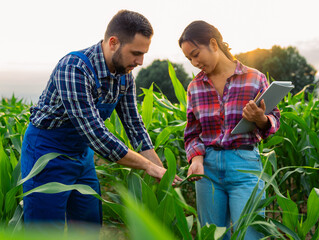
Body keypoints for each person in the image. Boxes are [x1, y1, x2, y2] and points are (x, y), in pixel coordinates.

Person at [20, 9, 181, 231]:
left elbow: (135, 127)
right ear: (113, 42)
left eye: (144, 53)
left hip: (81, 154)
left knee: (87, 224)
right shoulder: (74, 68)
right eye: (136, 53)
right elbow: (95, 134)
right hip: (46, 152)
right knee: (46, 230)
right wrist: (146, 166)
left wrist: (162, 172)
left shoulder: (124, 77)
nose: (141, 61)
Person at [178, 20, 280, 239]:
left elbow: (274, 120)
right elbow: (192, 133)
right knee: (212, 236)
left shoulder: (255, 78)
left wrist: (261, 119)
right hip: (208, 170)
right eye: (189, 59)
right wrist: (196, 160)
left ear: (213, 44)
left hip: (245, 167)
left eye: (196, 54)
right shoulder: (195, 87)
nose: (194, 62)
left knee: (251, 234)